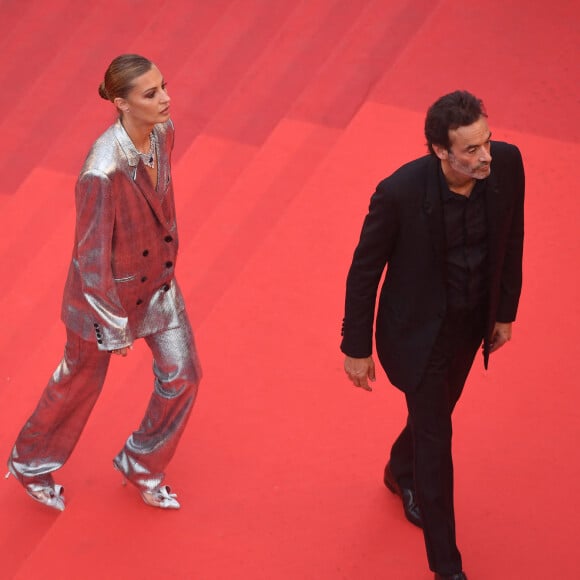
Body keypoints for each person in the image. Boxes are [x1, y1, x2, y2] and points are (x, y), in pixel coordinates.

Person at [340, 90, 524, 579]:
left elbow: (513, 235)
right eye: (471, 150)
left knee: (433, 417)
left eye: (487, 141)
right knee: (437, 440)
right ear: (441, 151)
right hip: (418, 334)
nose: (485, 156)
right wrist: (355, 348)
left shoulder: (506, 163)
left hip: (470, 326)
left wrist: (504, 311)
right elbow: (364, 272)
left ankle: (401, 469)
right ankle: (447, 567)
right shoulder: (399, 192)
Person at [6, 54, 202, 511]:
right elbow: (89, 257)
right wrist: (113, 325)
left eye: (164, 86)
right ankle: (31, 461)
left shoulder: (163, 133)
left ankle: (141, 463)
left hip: (158, 285)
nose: (165, 98)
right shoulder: (100, 170)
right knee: (78, 382)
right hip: (103, 299)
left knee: (185, 376)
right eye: (150, 94)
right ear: (121, 103)